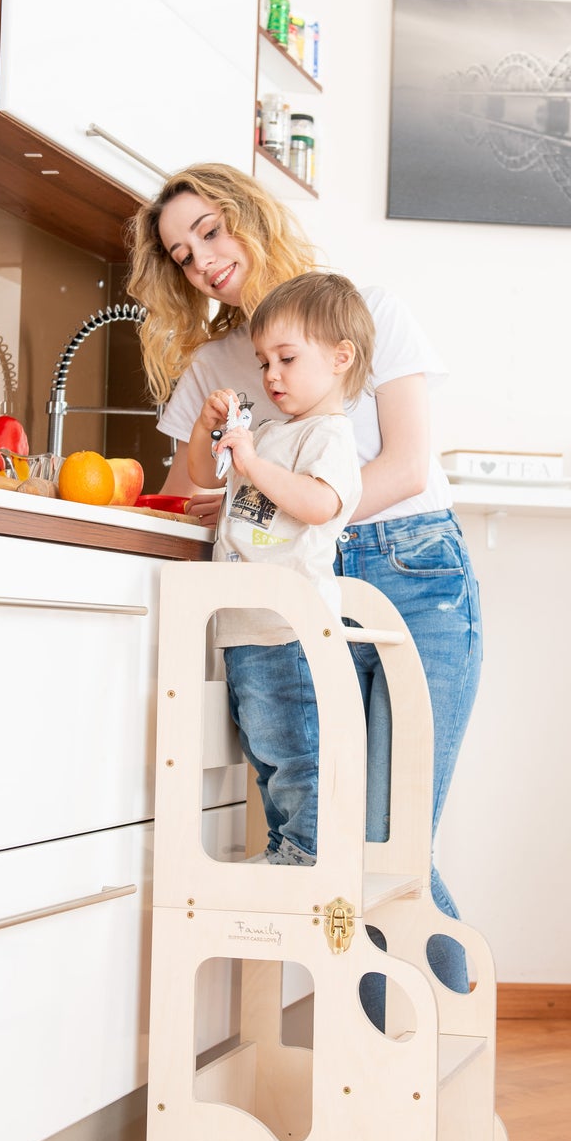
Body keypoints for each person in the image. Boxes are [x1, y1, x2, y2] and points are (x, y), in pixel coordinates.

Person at [127, 164, 482, 993]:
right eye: (181, 255)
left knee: (391, 838)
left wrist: (292, 512)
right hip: (295, 593)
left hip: (412, 569)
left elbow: (406, 465)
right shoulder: (217, 365)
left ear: (251, 216)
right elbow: (185, 495)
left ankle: (427, 1037)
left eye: (210, 231)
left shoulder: (367, 311)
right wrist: (217, 463)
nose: (202, 261)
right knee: (335, 840)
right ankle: (396, 1047)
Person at [187, 271, 373, 865]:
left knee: (296, 753)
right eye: (264, 362)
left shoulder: (329, 437)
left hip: (291, 631)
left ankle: (308, 853)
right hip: (248, 628)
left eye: (287, 359)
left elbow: (319, 504)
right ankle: (287, 847)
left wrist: (252, 463)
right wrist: (208, 429)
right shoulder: (268, 434)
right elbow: (202, 474)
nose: (271, 375)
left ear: (340, 358)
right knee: (266, 754)